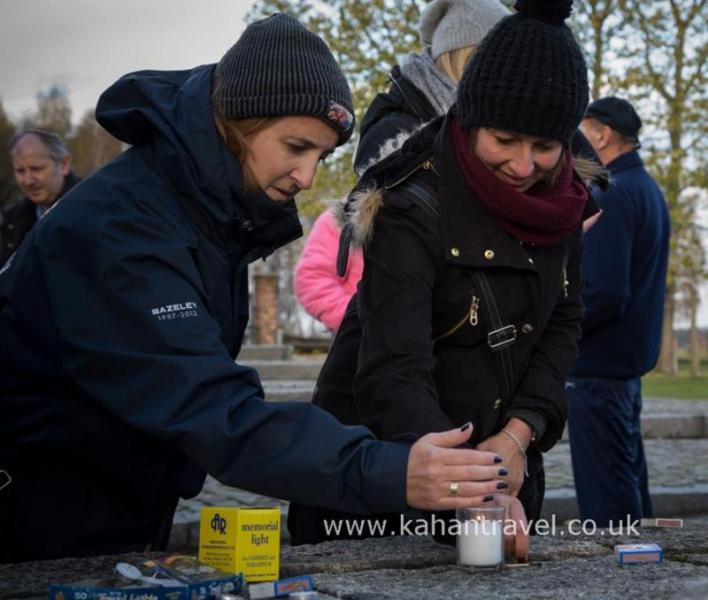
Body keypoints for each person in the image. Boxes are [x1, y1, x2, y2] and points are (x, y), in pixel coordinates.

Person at [0, 14, 522, 563]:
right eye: (295, 146)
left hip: (113, 497)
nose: (307, 177)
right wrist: (389, 471)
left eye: (320, 156)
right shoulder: (124, 230)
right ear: (238, 121)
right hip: (38, 510)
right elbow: (211, 409)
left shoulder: (204, 211)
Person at [289, 0, 604, 545]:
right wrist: (473, 481)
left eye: (545, 146)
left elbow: (562, 325)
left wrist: (518, 434)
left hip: (499, 464)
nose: (524, 166)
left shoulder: (565, 202)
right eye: (504, 141)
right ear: (471, 119)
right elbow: (394, 369)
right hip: (386, 472)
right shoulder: (411, 205)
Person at [294, 0, 509, 333]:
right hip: (403, 329)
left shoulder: (505, 128)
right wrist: (356, 316)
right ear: (465, 58)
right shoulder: (395, 133)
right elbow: (315, 277)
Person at [567, 97, 670, 527]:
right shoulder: (645, 188)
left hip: (598, 369)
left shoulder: (613, 191)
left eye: (582, 131)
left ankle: (624, 583)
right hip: (622, 368)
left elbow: (604, 294)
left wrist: (556, 329)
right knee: (627, 483)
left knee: (607, 497)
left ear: (602, 134)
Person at [0, 129, 80, 266]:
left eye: (36, 169)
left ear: (64, 164)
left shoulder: (92, 209)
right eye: (20, 171)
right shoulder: (11, 221)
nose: (28, 181)